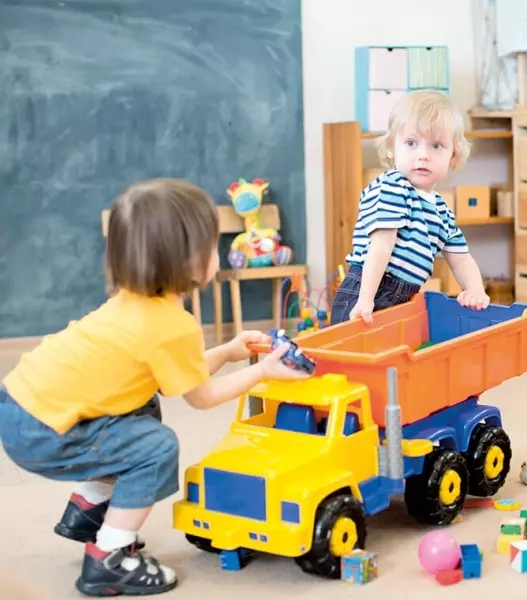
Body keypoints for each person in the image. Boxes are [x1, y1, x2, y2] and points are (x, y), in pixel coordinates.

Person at [0, 179, 308, 596]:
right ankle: (109, 557)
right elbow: (203, 397)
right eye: (211, 244)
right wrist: (263, 372)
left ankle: (90, 508)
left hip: (21, 403)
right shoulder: (172, 325)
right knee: (156, 447)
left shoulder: (136, 302)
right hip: (42, 432)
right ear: (186, 260)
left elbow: (178, 377)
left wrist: (228, 352)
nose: (217, 253)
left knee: (143, 406)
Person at [330, 90, 490, 326]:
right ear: (391, 148)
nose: (423, 155)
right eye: (411, 143)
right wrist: (365, 299)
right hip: (371, 287)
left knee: (393, 349)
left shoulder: (441, 211)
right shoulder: (392, 187)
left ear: (453, 157)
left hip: (404, 295)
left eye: (436, 145)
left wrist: (475, 289)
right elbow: (381, 246)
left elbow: (461, 259)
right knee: (355, 347)